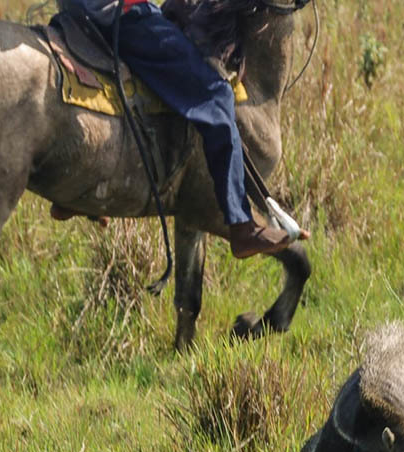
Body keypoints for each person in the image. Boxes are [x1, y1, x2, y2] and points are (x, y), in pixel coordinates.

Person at [54, 0, 302, 259]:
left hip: (77, 13)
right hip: (121, 15)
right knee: (215, 95)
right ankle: (241, 226)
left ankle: (75, 193)